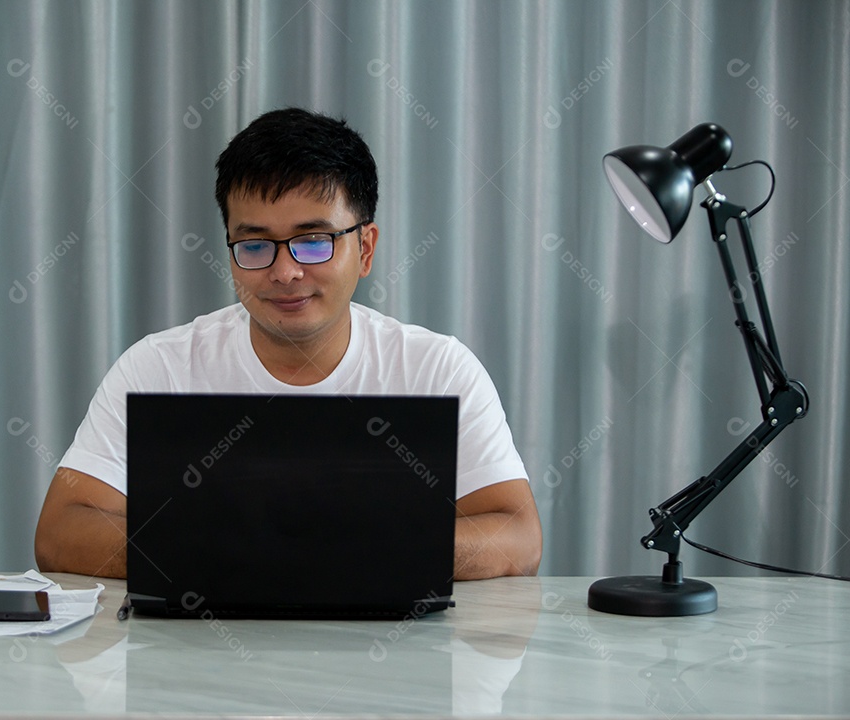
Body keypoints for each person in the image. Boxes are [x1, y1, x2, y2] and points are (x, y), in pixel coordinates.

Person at [35, 107, 541, 580]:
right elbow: (61, 533)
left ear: (365, 249)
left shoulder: (437, 369)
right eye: (255, 245)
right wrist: (248, 553)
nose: (284, 272)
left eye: (314, 242)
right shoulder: (158, 367)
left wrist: (343, 551)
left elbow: (518, 535)